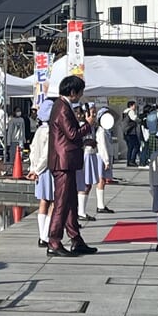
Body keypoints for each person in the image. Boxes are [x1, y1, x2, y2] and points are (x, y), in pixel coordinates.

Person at [46, 75, 96, 257]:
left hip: (66, 161)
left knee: (71, 203)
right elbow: (73, 134)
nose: (81, 96)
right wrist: (88, 125)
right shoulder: (62, 108)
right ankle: (54, 241)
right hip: (63, 162)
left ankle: (75, 238)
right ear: (73, 92)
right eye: (80, 92)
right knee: (61, 203)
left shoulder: (63, 106)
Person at [27, 100, 55, 246]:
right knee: (53, 202)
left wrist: (33, 168)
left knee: (43, 201)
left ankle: (42, 234)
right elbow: (46, 154)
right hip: (47, 169)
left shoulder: (39, 130)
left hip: (38, 169)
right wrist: (38, 169)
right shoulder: (50, 131)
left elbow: (33, 151)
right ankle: (45, 235)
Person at [123, 100, 142, 166]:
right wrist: (140, 120)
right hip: (131, 132)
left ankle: (129, 161)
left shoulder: (125, 112)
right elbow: (134, 118)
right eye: (134, 105)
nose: (135, 106)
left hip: (126, 132)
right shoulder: (131, 111)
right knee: (137, 145)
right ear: (131, 106)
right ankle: (132, 160)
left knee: (130, 147)